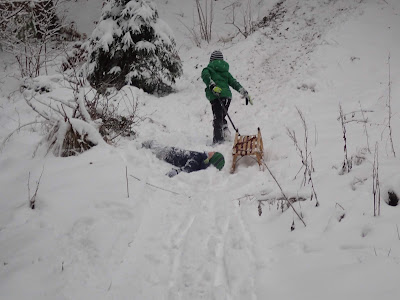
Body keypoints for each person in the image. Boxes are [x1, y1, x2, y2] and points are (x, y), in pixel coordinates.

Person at [201, 50, 253, 144]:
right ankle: (225, 131)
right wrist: (243, 91)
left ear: (211, 60)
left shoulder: (208, 69)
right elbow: (234, 82)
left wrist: (212, 86)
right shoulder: (226, 72)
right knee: (221, 115)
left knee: (217, 118)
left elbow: (206, 76)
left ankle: (218, 141)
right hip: (227, 97)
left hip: (216, 96)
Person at [142, 141, 225, 177]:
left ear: (212, 158)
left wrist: (177, 171)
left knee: (151, 144)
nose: (212, 151)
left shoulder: (199, 158)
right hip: (171, 153)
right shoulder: (202, 161)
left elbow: (189, 167)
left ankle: (137, 145)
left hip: (170, 153)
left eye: (213, 153)